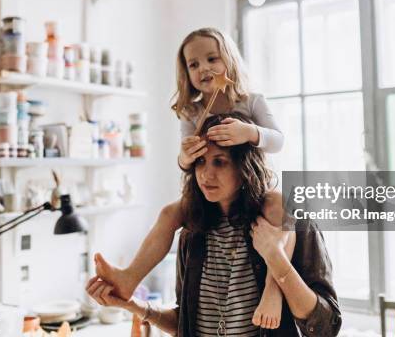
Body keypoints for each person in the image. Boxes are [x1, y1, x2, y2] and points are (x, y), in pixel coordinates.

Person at [100, 28, 290, 328]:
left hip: (251, 190)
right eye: (193, 64)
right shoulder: (192, 111)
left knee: (283, 207)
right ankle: (129, 277)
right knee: (168, 213)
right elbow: (185, 161)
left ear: (229, 61)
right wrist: (186, 156)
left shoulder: (251, 101)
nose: (203, 69)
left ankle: (272, 290)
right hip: (209, 195)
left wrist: (250, 132)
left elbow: (278, 140)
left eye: (211, 59)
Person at [87, 114, 342, 337]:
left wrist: (277, 261)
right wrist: (133, 305)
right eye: (200, 162)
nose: (206, 175)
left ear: (245, 168)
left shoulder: (289, 224)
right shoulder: (192, 234)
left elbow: (326, 327)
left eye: (219, 162)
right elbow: (186, 322)